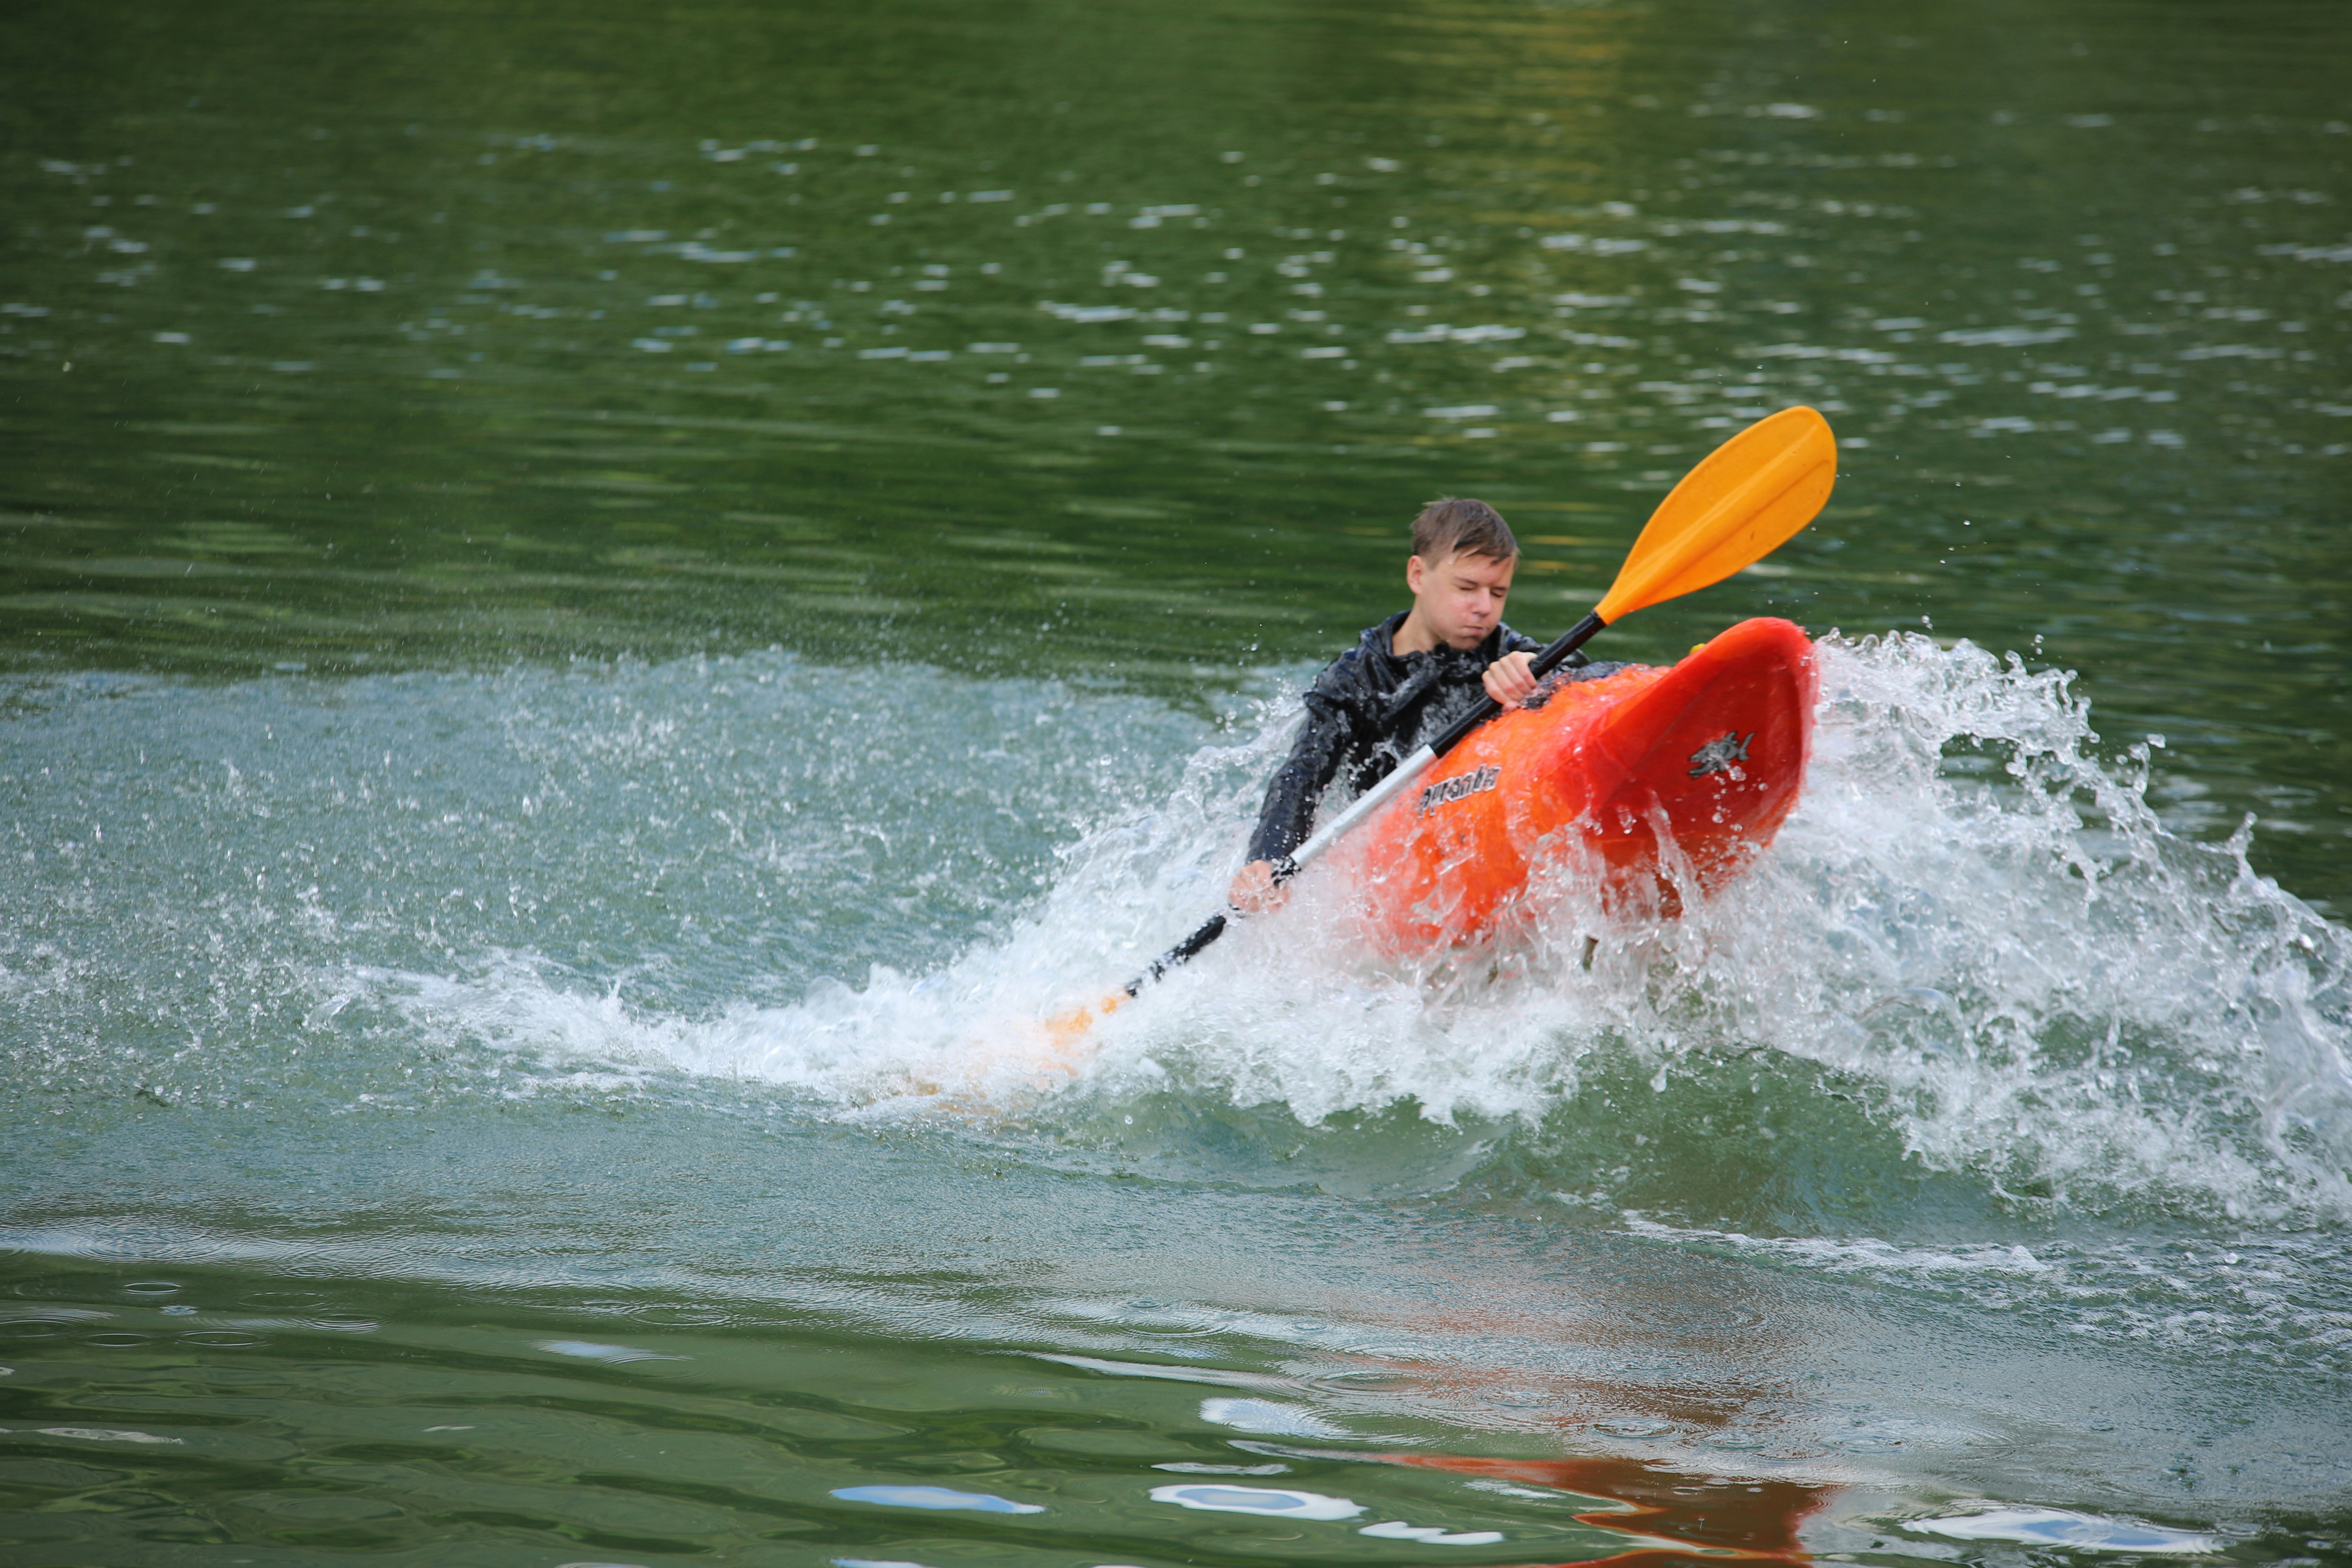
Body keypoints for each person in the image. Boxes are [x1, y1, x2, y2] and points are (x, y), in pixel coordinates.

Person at [1229, 496, 1596, 913]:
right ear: (1418, 575)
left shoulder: (1509, 654)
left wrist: (1546, 672)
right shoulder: (1356, 679)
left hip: (1476, 835)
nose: (1484, 607)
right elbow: (1301, 777)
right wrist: (1268, 860)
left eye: (1498, 592)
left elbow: (1586, 675)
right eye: (1466, 588)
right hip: (1390, 860)